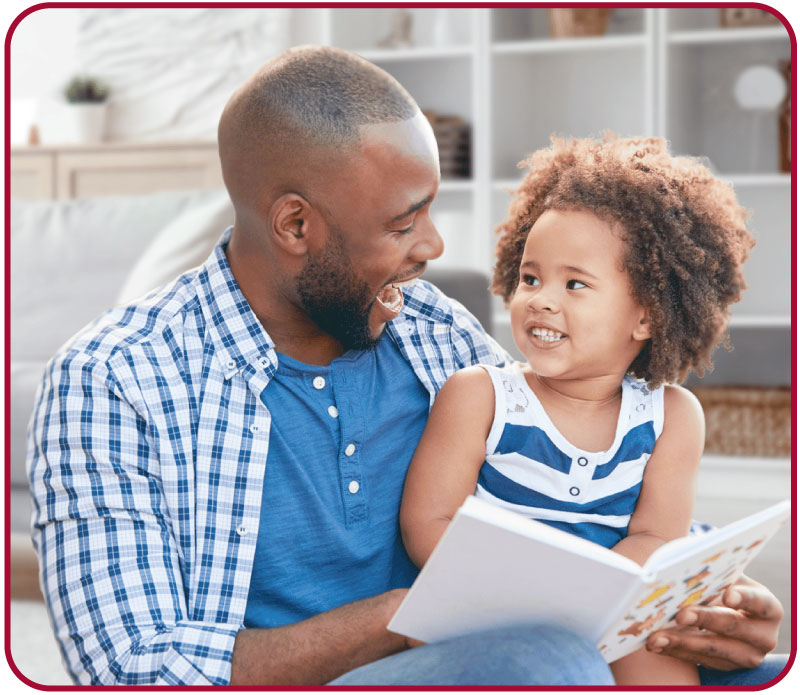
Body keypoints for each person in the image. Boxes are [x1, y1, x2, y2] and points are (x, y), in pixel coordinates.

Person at [26, 47, 786, 686]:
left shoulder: (431, 332)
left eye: (428, 210)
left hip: (485, 653)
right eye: (402, 222)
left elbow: (571, 472)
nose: (433, 247)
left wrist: (694, 592)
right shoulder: (114, 380)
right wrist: (414, 613)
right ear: (296, 224)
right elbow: (132, 667)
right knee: (546, 659)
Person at [399, 135, 785, 685]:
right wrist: (530, 590)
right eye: (530, 278)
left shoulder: (672, 416)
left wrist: (598, 598)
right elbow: (428, 522)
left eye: (575, 283)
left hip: (611, 610)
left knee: (660, 661)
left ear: (647, 318)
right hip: (488, 609)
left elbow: (656, 536)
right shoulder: (480, 395)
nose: (541, 298)